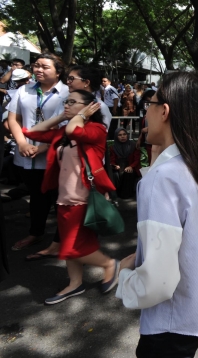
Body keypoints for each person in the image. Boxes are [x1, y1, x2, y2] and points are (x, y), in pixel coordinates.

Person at [116, 71, 198, 357]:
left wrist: (125, 277)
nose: (146, 114)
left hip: (172, 319)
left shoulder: (164, 177)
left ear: (164, 111)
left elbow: (157, 281)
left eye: (149, 105)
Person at [23, 90, 118, 304]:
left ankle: (109, 264)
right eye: (66, 101)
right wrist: (61, 116)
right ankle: (75, 284)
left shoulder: (96, 129)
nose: (66, 105)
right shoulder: (63, 133)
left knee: (70, 248)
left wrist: (81, 117)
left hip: (85, 199)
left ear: (89, 107)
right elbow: (32, 132)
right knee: (69, 244)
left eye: (72, 102)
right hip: (64, 198)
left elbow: (76, 130)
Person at [24, 65, 113, 261]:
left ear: (86, 83)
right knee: (69, 230)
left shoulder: (99, 111)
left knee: (82, 232)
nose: (67, 83)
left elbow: (76, 133)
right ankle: (71, 261)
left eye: (72, 79)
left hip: (86, 176)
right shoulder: (67, 107)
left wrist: (79, 117)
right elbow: (47, 131)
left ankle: (102, 263)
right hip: (66, 173)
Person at [7, 53, 69, 251]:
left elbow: (69, 127)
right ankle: (36, 233)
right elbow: (13, 119)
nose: (38, 70)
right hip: (27, 156)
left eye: (45, 67)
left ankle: (61, 241)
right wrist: (22, 144)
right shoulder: (23, 90)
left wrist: (44, 147)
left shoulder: (68, 93)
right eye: (36, 66)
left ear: (58, 72)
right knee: (36, 197)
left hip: (55, 156)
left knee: (62, 199)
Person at [110, 128, 140, 199]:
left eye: (124, 134)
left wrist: (131, 166)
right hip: (119, 166)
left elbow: (137, 159)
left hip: (131, 166)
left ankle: (125, 195)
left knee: (128, 173)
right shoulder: (113, 148)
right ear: (116, 137)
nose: (122, 136)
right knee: (114, 174)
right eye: (120, 135)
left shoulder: (133, 146)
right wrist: (115, 165)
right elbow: (112, 159)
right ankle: (115, 194)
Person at [136, 90, 156, 163]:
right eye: (146, 101)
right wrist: (140, 138)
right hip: (148, 142)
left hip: (155, 143)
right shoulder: (146, 114)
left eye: (150, 101)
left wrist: (148, 129)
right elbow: (143, 128)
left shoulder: (159, 112)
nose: (148, 104)